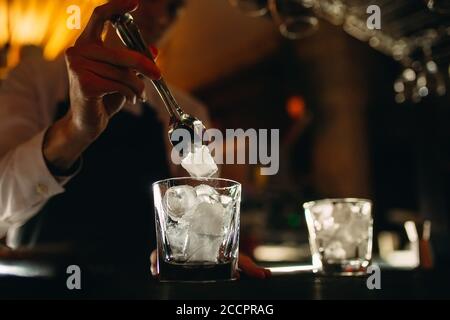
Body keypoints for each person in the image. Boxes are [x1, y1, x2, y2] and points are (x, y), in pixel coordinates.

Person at [0, 0, 269, 278]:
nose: (163, 17)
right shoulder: (33, 79)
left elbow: (203, 210)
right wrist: (75, 131)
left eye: (175, 8)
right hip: (38, 284)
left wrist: (213, 253)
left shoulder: (188, 110)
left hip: (143, 285)